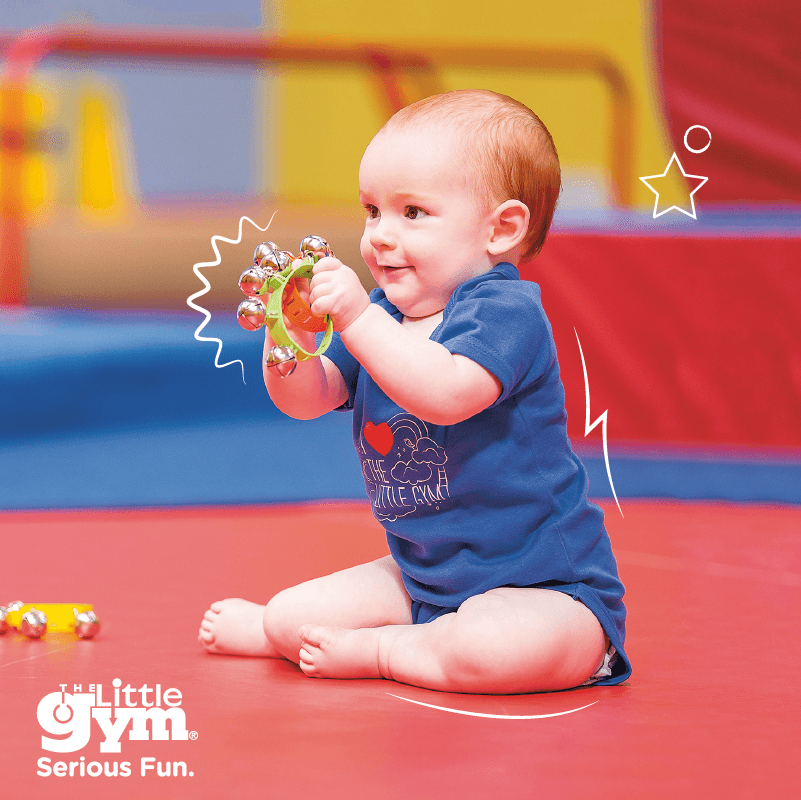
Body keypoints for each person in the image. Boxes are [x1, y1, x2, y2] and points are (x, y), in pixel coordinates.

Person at [199, 89, 631, 694]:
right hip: (424, 576)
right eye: (372, 211)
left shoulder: (506, 312)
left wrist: (355, 317)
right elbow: (308, 399)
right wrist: (288, 339)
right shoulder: (384, 315)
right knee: (292, 616)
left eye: (413, 213)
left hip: (543, 587)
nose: (380, 235)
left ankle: (388, 649)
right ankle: (303, 633)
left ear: (501, 229)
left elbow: (445, 392)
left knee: (492, 648)